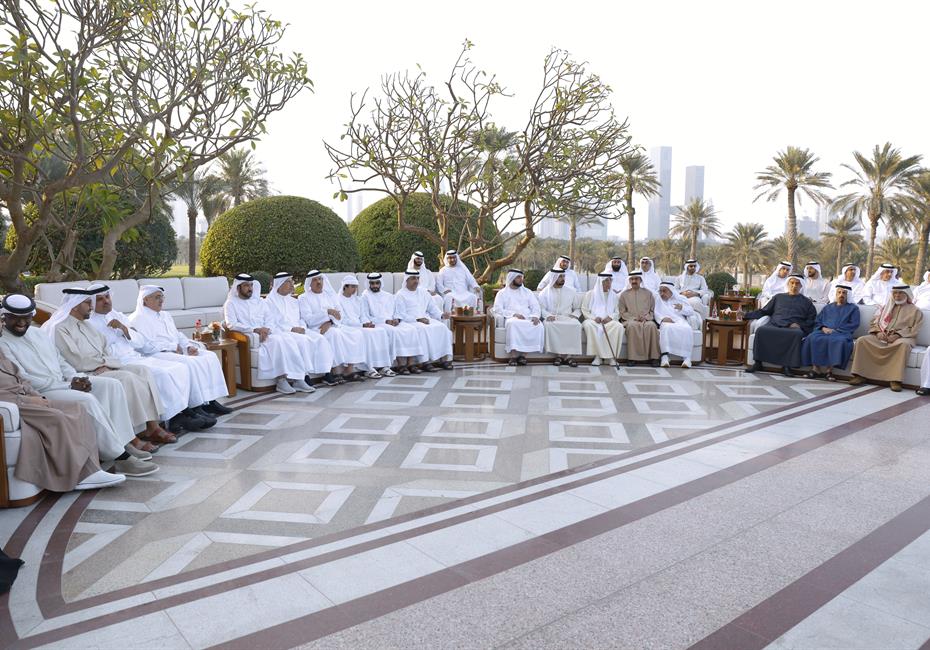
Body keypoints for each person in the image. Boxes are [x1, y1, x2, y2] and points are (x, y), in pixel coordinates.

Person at [0, 294, 157, 476]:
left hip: (65, 382)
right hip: (44, 391)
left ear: (31, 316)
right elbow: (24, 379)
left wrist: (76, 378)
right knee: (86, 400)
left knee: (111, 385)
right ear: (5, 317)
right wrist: (69, 386)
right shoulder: (3, 343)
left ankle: (124, 442)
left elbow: (60, 361)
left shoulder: (38, 334)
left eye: (26, 318)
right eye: (15, 318)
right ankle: (120, 457)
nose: (21, 323)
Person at [46, 287, 175, 447]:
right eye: (87, 303)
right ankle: (132, 435)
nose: (91, 307)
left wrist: (107, 364)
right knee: (126, 378)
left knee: (143, 371)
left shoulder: (86, 325)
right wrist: (104, 364)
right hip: (85, 373)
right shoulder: (61, 328)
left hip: (105, 366)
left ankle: (152, 426)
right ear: (75, 305)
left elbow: (105, 349)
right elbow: (76, 360)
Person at [89, 283, 216, 433]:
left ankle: (186, 410)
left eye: (107, 296)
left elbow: (139, 341)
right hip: (120, 361)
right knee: (163, 373)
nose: (106, 301)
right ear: (91, 302)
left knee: (179, 368)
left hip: (135, 356)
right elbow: (103, 348)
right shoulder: (89, 323)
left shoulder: (118, 315)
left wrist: (124, 329)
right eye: (100, 299)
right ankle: (173, 418)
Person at [0, 347, 126, 492]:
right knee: (57, 417)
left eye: (1, 322)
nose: (1, 324)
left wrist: (38, 397)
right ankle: (77, 476)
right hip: (13, 405)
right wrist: (28, 401)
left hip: (27, 398)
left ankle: (92, 470)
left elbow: (22, 380)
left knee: (78, 408)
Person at [127, 285, 234, 416]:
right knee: (191, 364)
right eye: (157, 297)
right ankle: (196, 405)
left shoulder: (165, 315)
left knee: (209, 356)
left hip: (176, 349)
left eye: (162, 297)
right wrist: (172, 347)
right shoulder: (137, 319)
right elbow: (145, 346)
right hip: (158, 354)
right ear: (145, 300)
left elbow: (177, 334)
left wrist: (188, 346)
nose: (161, 300)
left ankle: (210, 401)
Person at [224, 273, 316, 394]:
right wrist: (255, 330)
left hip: (267, 333)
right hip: (252, 336)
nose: (250, 288)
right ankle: (281, 380)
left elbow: (270, 319)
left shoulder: (260, 302)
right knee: (279, 342)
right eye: (246, 286)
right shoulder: (230, 304)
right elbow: (231, 324)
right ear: (238, 287)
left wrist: (266, 329)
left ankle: (298, 378)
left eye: (251, 285)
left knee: (288, 339)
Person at [262, 272, 336, 387]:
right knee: (303, 341)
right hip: (284, 332)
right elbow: (273, 323)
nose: (292, 284)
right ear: (280, 284)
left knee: (320, 339)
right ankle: (303, 376)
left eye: (292, 281)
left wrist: (301, 327)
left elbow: (301, 318)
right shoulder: (269, 302)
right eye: (289, 282)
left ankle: (326, 372)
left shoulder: (293, 300)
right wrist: (292, 329)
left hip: (300, 329)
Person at [850, 284, 924, 392]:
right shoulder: (885, 308)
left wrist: (898, 335)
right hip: (882, 336)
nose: (897, 296)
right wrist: (878, 332)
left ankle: (895, 380)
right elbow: (874, 323)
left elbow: (915, 329)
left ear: (907, 294)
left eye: (900, 293)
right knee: (862, 340)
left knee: (903, 345)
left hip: (902, 338)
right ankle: (860, 375)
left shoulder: (915, 311)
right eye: (895, 293)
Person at [298, 270, 367, 383]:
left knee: (357, 333)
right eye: (315, 280)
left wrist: (330, 321)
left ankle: (349, 370)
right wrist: (327, 313)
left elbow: (340, 314)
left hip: (333, 325)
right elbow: (309, 319)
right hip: (316, 328)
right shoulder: (304, 298)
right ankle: (333, 371)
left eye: (320, 279)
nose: (318, 282)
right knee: (334, 334)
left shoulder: (330, 295)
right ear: (309, 283)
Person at [745, 274, 816, 376]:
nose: (794, 286)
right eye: (792, 283)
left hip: (793, 328)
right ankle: (758, 362)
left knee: (796, 334)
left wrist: (800, 325)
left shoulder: (807, 302)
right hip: (775, 324)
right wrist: (746, 315)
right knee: (761, 330)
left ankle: (786, 366)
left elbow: (811, 320)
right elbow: (764, 311)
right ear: (788, 284)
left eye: (797, 283)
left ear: (801, 286)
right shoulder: (778, 297)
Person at [361, 272, 427, 374]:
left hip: (393, 321)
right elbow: (366, 315)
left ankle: (410, 363)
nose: (375, 286)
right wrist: (385, 321)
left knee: (411, 329)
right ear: (369, 284)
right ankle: (401, 365)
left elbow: (397, 311)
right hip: (380, 323)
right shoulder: (365, 296)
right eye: (372, 283)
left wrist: (397, 319)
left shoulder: (388, 296)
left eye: (377, 283)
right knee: (394, 332)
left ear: (380, 283)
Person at [336, 275, 396, 379]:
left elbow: (363, 315)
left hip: (360, 325)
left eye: (356, 287)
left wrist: (367, 323)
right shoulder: (338, 300)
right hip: (348, 327)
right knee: (367, 334)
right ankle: (368, 368)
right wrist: (362, 325)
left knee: (380, 331)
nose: (355, 289)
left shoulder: (358, 300)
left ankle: (383, 365)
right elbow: (343, 320)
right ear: (345, 287)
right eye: (352, 286)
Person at [395, 270, 453, 370]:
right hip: (410, 321)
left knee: (442, 327)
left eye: (417, 278)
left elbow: (432, 308)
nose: (416, 281)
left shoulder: (423, 292)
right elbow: (401, 315)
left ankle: (444, 360)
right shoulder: (400, 294)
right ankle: (424, 362)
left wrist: (442, 315)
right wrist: (418, 319)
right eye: (413, 278)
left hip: (425, 319)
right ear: (407, 280)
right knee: (422, 330)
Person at [800, 284, 860, 381]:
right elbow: (818, 320)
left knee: (837, 341)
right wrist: (823, 328)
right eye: (839, 292)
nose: (841, 295)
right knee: (812, 338)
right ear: (835, 294)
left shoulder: (853, 308)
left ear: (848, 295)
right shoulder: (828, 307)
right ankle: (816, 369)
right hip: (823, 331)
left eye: (844, 293)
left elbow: (854, 324)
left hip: (841, 333)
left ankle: (829, 371)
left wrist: (836, 330)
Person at [493, 269, 544, 366]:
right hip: (512, 318)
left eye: (522, 277)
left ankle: (523, 356)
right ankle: (513, 356)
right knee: (513, 324)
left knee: (538, 325)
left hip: (528, 317)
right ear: (512, 278)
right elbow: (498, 309)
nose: (521, 280)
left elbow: (535, 306)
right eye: (518, 277)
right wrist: (514, 314)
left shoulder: (527, 292)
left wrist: (535, 316)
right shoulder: (502, 293)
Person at [537, 269, 583, 367]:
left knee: (576, 325)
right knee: (549, 325)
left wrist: (575, 315)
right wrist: (548, 315)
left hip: (567, 317)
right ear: (554, 278)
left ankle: (569, 356)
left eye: (564, 276)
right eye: (560, 277)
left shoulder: (571, 291)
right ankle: (559, 356)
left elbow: (578, 308)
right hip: (552, 318)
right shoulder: (545, 292)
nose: (563, 279)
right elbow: (541, 308)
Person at [581, 272, 623, 366]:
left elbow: (617, 312)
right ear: (601, 282)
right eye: (607, 281)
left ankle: (611, 357)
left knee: (618, 326)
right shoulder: (590, 294)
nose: (609, 283)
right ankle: (597, 356)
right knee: (589, 325)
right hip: (593, 321)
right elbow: (584, 310)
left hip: (609, 321)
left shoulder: (614, 296)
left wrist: (610, 318)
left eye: (610, 280)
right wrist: (594, 318)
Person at [619, 271, 660, 366]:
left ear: (640, 280)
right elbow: (622, 312)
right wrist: (634, 318)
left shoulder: (648, 293)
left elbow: (652, 310)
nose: (634, 281)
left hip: (646, 320)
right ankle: (632, 358)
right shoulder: (624, 295)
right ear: (629, 281)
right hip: (630, 320)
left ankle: (654, 358)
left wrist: (646, 317)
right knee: (633, 327)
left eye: (636, 279)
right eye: (632, 279)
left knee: (651, 326)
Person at [655, 282, 696, 368]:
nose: (662, 294)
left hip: (680, 320)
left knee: (687, 329)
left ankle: (687, 358)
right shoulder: (658, 299)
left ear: (671, 291)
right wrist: (662, 319)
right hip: (666, 321)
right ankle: (665, 357)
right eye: (660, 291)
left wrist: (682, 308)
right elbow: (656, 313)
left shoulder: (681, 298)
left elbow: (691, 311)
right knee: (666, 328)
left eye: (664, 291)